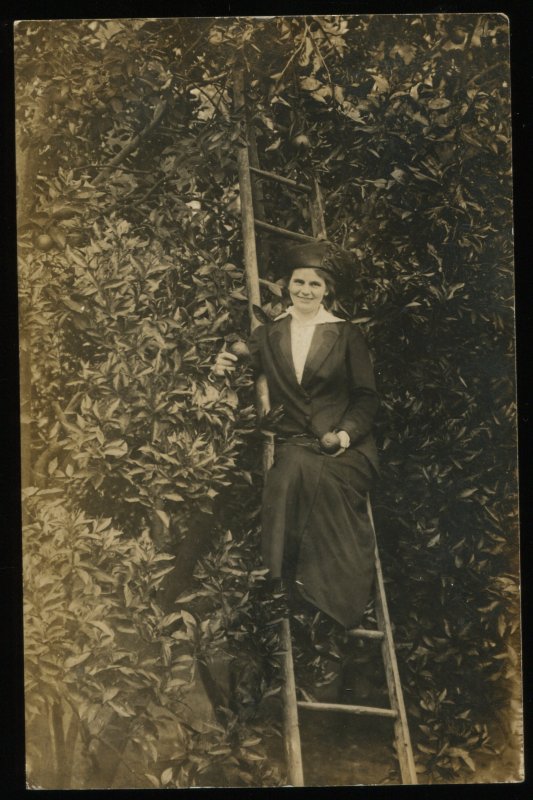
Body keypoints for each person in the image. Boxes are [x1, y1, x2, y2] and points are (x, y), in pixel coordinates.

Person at [214, 242, 379, 629]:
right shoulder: (270, 334)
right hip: (298, 445)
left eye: (315, 285)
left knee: (308, 475)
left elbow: (367, 399)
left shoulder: (345, 335)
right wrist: (223, 362)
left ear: (327, 291)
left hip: (344, 450)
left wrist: (343, 435)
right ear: (287, 286)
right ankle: (277, 589)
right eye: (298, 282)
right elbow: (244, 358)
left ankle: (330, 604)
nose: (305, 290)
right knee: (285, 476)